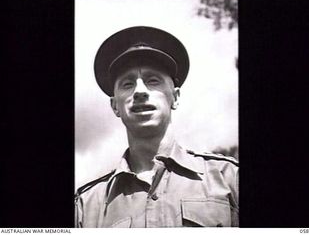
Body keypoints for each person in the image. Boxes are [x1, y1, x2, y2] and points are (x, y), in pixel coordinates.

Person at [75, 26, 239, 228]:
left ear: (175, 97)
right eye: (127, 84)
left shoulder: (228, 178)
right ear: (115, 106)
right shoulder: (86, 206)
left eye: (153, 81)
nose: (140, 91)